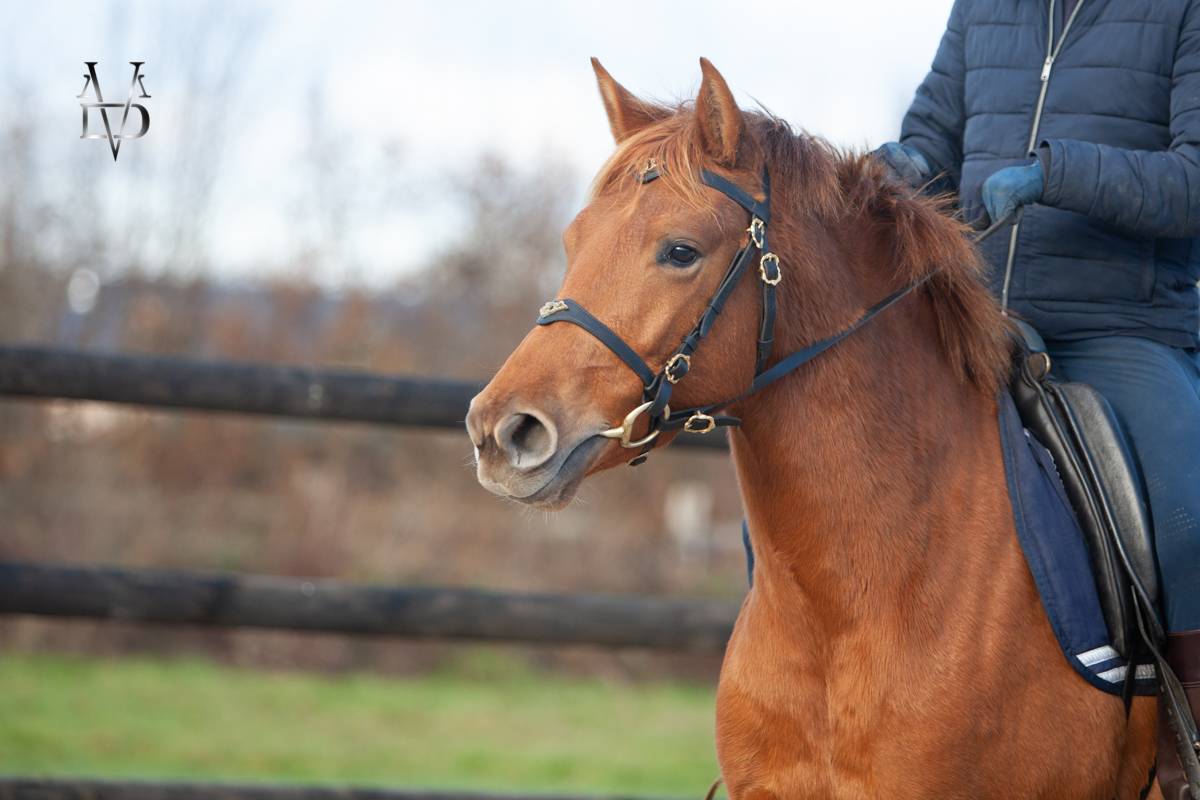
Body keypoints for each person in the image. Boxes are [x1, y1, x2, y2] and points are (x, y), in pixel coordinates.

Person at [874, 1, 1200, 795]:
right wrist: (898, 167)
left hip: (1121, 327)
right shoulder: (983, 8)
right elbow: (934, 140)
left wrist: (1059, 173)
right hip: (975, 322)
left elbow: (1192, 183)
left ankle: (1187, 740)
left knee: (1190, 516)